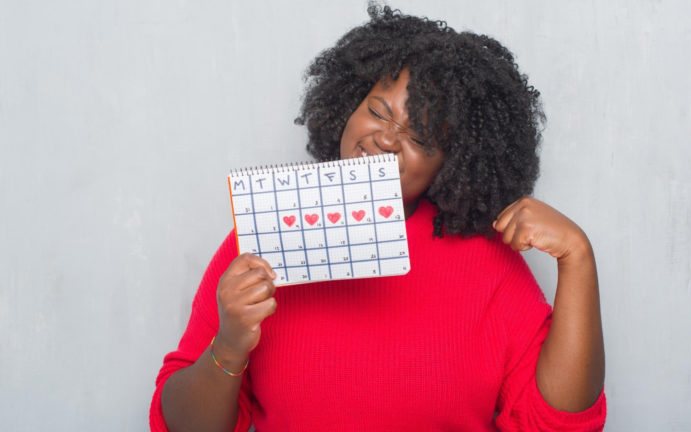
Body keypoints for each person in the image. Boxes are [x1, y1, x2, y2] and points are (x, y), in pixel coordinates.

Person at [150, 5, 606, 431]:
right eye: (376, 111)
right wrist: (228, 346)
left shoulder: (489, 264)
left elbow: (558, 422)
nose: (387, 139)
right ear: (346, 104)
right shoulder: (262, 238)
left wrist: (578, 258)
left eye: (421, 138)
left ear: (452, 162)